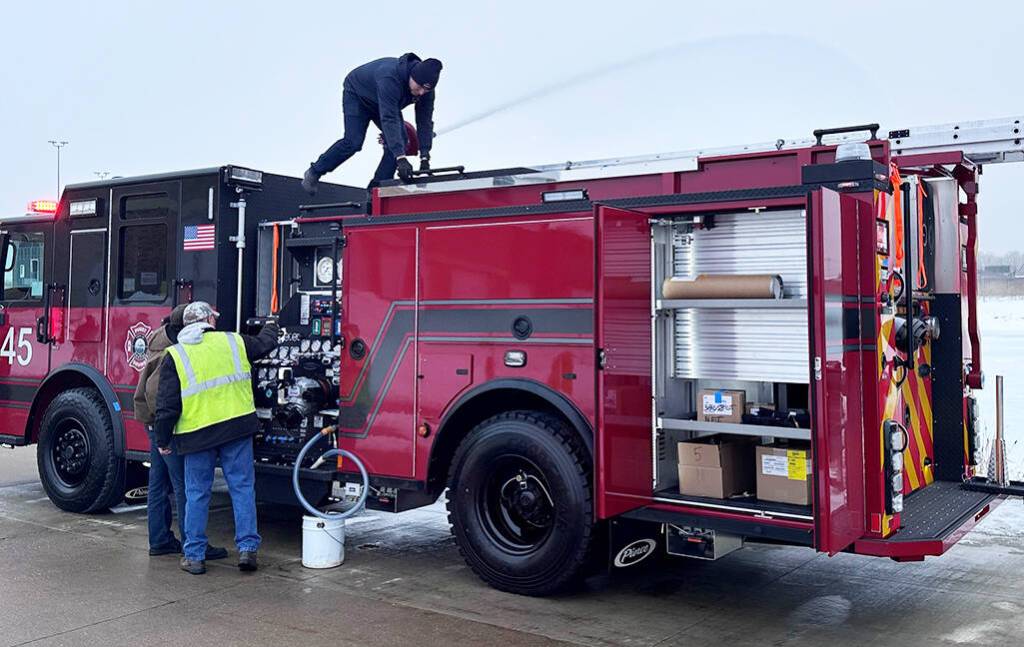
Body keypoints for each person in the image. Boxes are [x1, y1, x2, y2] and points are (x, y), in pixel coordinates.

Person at [152, 302, 279, 575]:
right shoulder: (233, 341)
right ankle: (247, 550)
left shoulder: (175, 355)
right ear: (209, 319)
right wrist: (272, 325)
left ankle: (195, 557)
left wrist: (163, 440)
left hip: (197, 436)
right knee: (243, 489)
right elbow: (264, 344)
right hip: (237, 429)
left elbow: (166, 407)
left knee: (197, 493)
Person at [134, 304, 228, 562]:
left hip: (152, 421)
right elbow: (161, 394)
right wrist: (167, 429)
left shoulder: (157, 339)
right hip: (167, 427)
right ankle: (193, 543)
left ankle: (160, 540)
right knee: (185, 485)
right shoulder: (174, 352)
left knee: (158, 484)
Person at [302, 52, 442, 193]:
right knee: (353, 142)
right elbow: (389, 118)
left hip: (383, 102)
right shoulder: (390, 78)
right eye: (419, 87)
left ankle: (376, 188)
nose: (422, 92)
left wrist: (425, 157)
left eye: (426, 89)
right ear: (412, 76)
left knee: (402, 140)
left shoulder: (426, 91)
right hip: (358, 95)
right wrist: (401, 159)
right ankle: (315, 171)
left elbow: (424, 122)